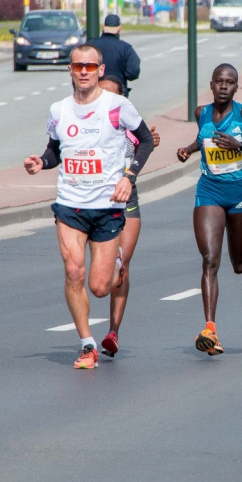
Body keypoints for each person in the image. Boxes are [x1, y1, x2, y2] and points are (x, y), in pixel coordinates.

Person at [23, 46, 154, 369]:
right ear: (69, 70)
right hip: (70, 203)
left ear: (99, 69)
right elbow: (55, 150)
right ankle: (86, 344)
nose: (83, 71)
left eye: (89, 66)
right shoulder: (59, 110)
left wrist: (129, 177)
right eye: (78, 66)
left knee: (99, 287)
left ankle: (118, 261)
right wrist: (42, 161)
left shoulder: (117, 106)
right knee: (72, 271)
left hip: (107, 205)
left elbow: (146, 140)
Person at [176, 64, 242, 355]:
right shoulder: (201, 113)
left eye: (229, 82)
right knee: (210, 259)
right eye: (219, 81)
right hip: (209, 190)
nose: (223, 86)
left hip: (241, 194)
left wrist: (240, 147)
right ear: (211, 85)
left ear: (236, 88)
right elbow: (204, 138)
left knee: (236, 264)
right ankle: (211, 329)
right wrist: (188, 149)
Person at [96, 76, 161, 357]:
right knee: (102, 271)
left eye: (114, 96)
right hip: (94, 202)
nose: (108, 101)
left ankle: (113, 332)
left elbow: (145, 140)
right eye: (103, 94)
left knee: (121, 265)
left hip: (127, 201)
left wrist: (150, 141)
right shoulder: (88, 124)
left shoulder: (130, 122)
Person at [89, 15, 142, 97]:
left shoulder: (91, 45)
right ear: (119, 29)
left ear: (103, 27)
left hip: (93, 91)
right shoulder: (125, 48)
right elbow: (133, 73)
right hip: (117, 93)